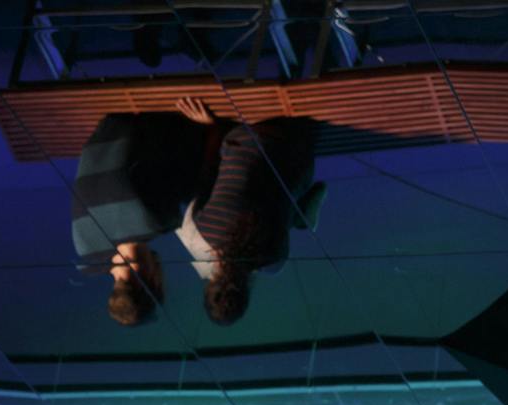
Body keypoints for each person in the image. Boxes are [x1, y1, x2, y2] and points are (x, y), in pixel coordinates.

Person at [70, 99, 321, 327]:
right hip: (109, 127)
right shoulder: (83, 248)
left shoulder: (158, 219)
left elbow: (204, 165)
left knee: (291, 211)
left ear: (154, 283)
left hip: (288, 143)